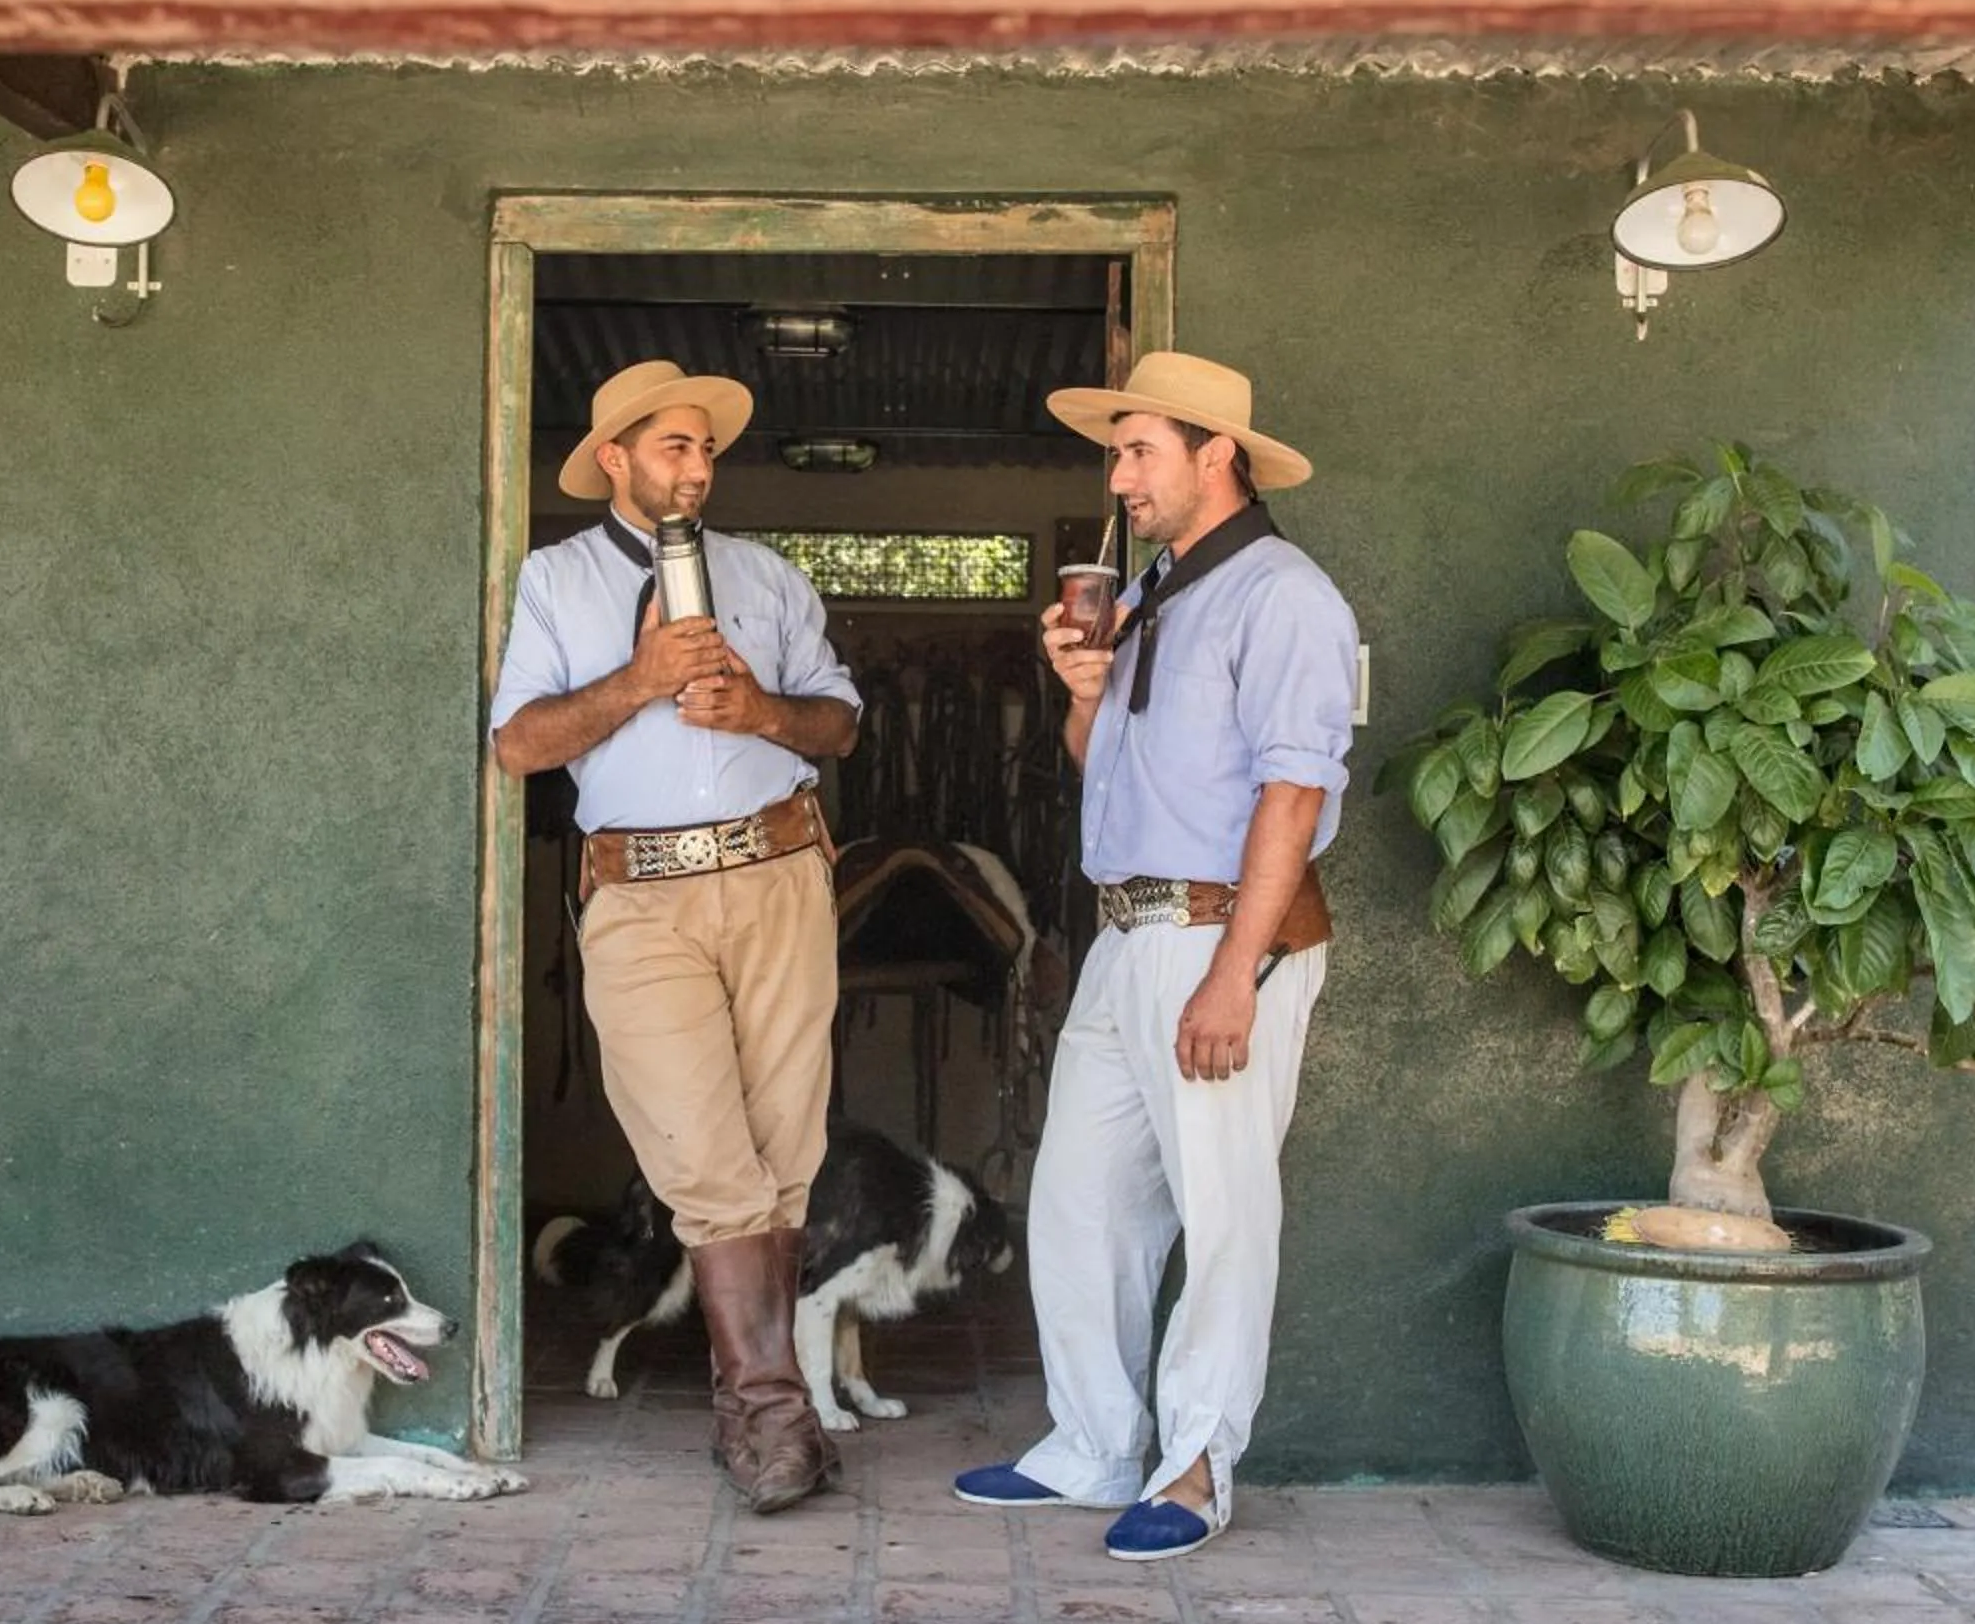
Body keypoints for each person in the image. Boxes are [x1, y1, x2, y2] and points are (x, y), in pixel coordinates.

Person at [953, 351, 1357, 1562]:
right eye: (1116, 452)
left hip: (1223, 929)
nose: (1119, 475)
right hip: (1127, 933)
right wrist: (1082, 688)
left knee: (1223, 1209)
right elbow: (1116, 775)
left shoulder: (1284, 595)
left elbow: (1294, 789)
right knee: (1079, 1201)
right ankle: (1091, 1440)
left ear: (1214, 454)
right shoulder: (1152, 594)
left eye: (1139, 450)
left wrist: (1235, 969)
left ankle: (1193, 1467)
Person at [488, 358, 862, 1514]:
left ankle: (757, 1411)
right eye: (674, 447)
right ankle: (770, 1407)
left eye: (707, 449)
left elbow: (839, 721)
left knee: (783, 1143)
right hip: (639, 892)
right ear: (617, 459)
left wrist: (761, 711)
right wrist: (640, 676)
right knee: (701, 1151)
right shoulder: (554, 582)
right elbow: (520, 744)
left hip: (780, 869)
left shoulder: (766, 574)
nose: (697, 467)